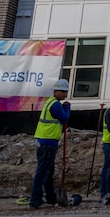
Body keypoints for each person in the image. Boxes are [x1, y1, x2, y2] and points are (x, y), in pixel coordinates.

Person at [29, 78, 71, 209]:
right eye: (63, 92)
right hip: (47, 142)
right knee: (43, 172)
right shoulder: (55, 105)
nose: (65, 95)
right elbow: (64, 118)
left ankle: (51, 198)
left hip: (46, 141)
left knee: (48, 171)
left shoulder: (50, 102)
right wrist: (67, 108)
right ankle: (35, 200)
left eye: (66, 92)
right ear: (56, 91)